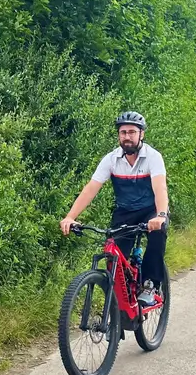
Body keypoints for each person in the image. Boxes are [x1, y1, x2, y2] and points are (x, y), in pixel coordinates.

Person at [59, 111, 170, 307]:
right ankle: (120, 305)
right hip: (125, 212)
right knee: (114, 256)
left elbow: (160, 187)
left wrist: (160, 215)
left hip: (151, 210)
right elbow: (91, 188)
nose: (127, 136)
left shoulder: (153, 157)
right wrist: (70, 217)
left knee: (157, 234)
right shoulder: (111, 159)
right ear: (118, 135)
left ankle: (150, 284)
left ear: (141, 134)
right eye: (123, 132)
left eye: (132, 132)